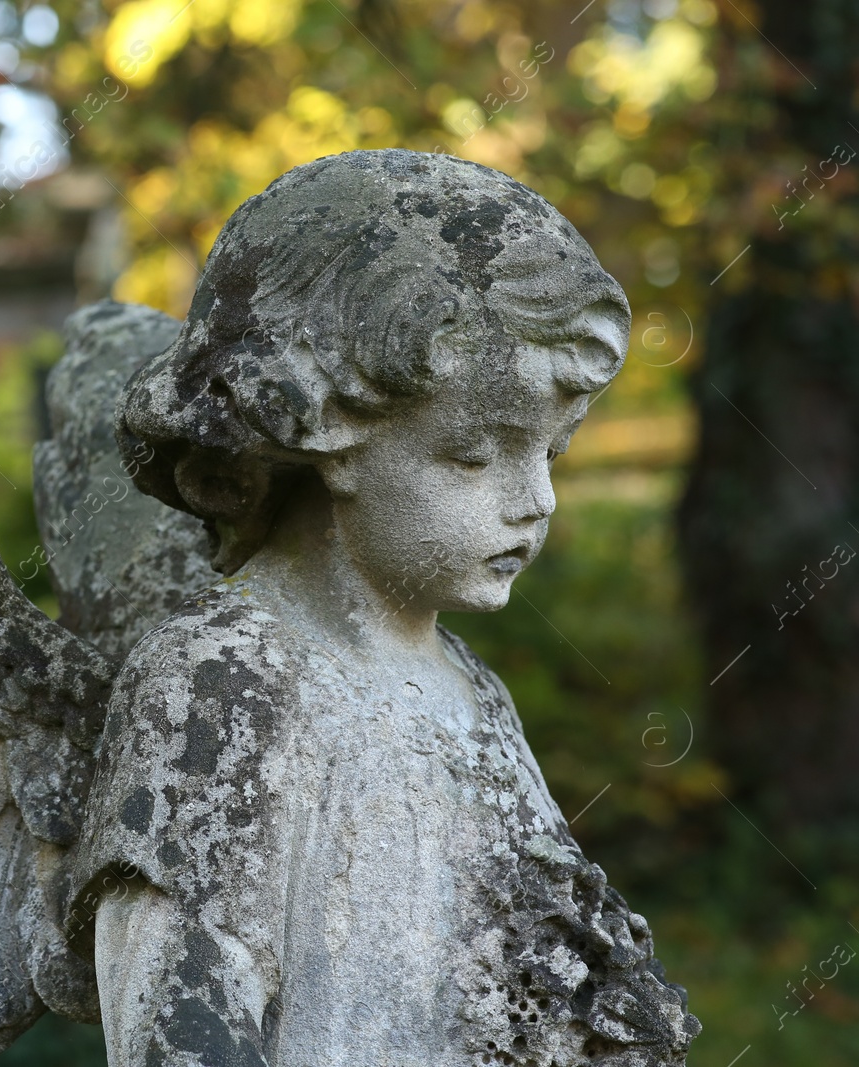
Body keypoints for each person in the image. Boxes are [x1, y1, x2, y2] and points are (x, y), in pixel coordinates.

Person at [68, 150, 699, 1066]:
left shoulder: (473, 697)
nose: (537, 499)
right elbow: (185, 1033)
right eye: (477, 455)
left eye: (552, 453)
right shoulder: (221, 683)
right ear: (330, 433)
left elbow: (542, 989)